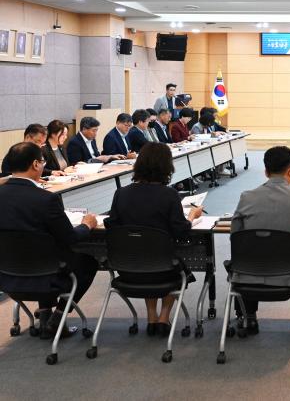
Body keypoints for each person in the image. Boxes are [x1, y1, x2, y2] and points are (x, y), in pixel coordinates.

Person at [0, 142, 99, 339]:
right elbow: (70, 238)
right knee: (87, 262)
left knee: (41, 254)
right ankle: (58, 317)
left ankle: (45, 314)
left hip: (7, 275)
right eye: (43, 162)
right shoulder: (46, 199)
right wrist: (86, 225)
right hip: (47, 275)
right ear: (36, 164)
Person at [104, 142, 203, 336]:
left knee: (145, 252)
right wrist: (192, 216)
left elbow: (112, 225)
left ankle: (151, 317)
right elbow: (181, 232)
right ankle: (164, 317)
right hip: (163, 269)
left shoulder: (121, 193)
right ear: (167, 166)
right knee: (164, 261)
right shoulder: (169, 195)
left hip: (128, 267)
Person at [231, 146, 290, 335]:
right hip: (289, 274)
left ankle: (249, 317)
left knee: (247, 255)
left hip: (248, 274)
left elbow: (235, 235)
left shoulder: (246, 197)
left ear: (266, 171)